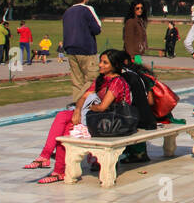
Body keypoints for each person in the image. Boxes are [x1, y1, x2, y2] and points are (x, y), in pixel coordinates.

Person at [29, 49, 137, 184]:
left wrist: (88, 107)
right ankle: (52, 165)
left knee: (66, 123)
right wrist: (78, 110)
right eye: (100, 62)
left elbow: (103, 107)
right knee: (65, 120)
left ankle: (54, 165)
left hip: (112, 123)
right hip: (98, 119)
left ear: (115, 65)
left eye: (105, 63)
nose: (100, 65)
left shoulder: (117, 82)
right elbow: (84, 96)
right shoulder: (101, 79)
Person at [62, 0, 102, 101]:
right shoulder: (87, 9)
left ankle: (76, 107)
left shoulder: (67, 12)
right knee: (92, 79)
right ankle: (79, 104)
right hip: (86, 49)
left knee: (77, 82)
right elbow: (97, 29)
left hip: (70, 49)